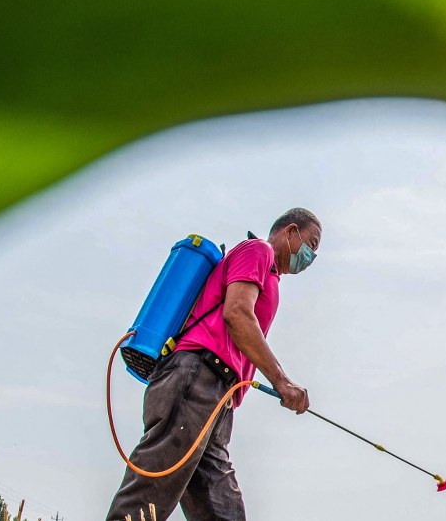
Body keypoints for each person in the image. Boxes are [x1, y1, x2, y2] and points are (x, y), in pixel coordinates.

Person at [105, 208, 321, 521]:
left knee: (223, 510)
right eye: (310, 244)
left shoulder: (270, 274)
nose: (310, 255)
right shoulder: (259, 251)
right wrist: (282, 381)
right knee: (149, 495)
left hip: (217, 397)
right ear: (289, 232)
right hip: (197, 377)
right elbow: (236, 313)